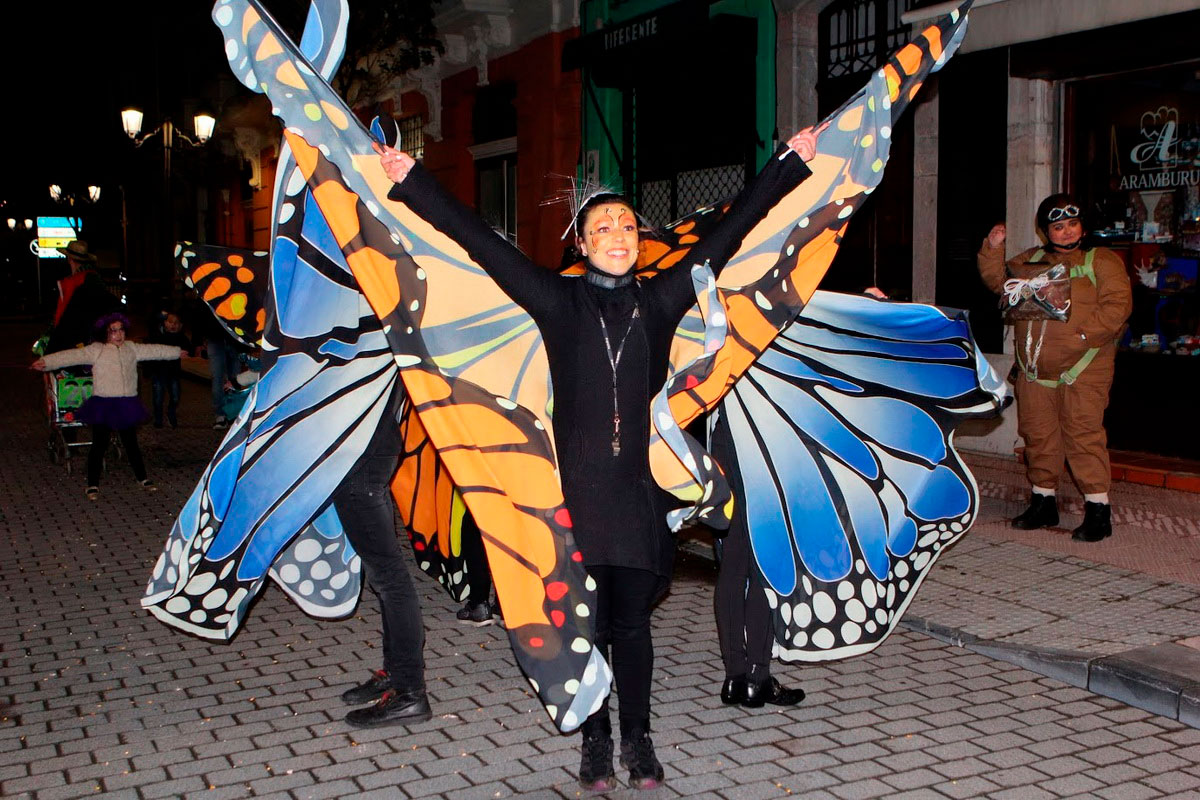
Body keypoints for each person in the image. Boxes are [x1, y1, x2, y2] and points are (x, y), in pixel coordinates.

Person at [376, 126, 818, 790]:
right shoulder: (556, 301)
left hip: (638, 498)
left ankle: (638, 737)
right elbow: (476, 240)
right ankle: (596, 739)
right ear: (581, 245)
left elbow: (731, 232)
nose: (618, 235)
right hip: (576, 500)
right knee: (587, 627)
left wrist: (788, 163)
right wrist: (410, 180)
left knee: (631, 626)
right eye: (602, 228)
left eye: (628, 227)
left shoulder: (661, 300)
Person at [977, 195, 1132, 542]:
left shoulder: (1100, 261)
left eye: (1072, 224)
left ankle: (1098, 510)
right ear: (1046, 231)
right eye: (1058, 227)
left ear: (1082, 227)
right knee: (1038, 435)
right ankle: (1043, 501)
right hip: (1035, 370)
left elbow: (1118, 304)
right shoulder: (1031, 260)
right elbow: (1000, 281)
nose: (1066, 232)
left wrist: (1083, 336)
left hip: (1084, 367)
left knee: (1083, 435)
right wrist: (993, 248)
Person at [335, 383, 432, 728]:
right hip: (369, 445)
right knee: (386, 579)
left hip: (363, 452)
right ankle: (397, 675)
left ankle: (409, 692)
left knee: (390, 579)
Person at [709, 413, 806, 710]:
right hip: (766, 435)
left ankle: (734, 676)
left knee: (733, 564)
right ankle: (756, 676)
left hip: (726, 435)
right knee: (764, 562)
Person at [32, 313, 182, 499]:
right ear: (105, 333)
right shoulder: (97, 350)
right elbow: (71, 356)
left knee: (131, 444)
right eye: (113, 331)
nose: (118, 334)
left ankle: (142, 478)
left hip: (127, 404)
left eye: (121, 330)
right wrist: (46, 362)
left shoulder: (131, 348)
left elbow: (155, 351)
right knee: (99, 445)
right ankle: (92, 484)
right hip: (104, 404)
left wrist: (176, 352)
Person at [147, 311, 193, 428]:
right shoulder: (157, 335)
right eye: (170, 322)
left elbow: (189, 349)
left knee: (176, 396)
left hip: (173, 372)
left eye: (176, 323)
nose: (173, 325)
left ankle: (170, 412)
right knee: (158, 398)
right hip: (158, 371)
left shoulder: (181, 337)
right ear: (165, 323)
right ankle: (158, 419)